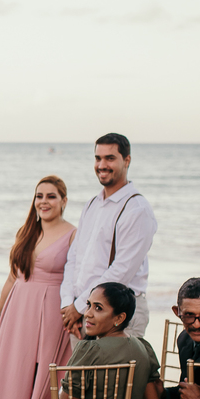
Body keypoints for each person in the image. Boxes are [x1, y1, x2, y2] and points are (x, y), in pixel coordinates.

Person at [15, 282, 163, 399]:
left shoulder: (90, 351)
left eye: (98, 308)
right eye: (89, 305)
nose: (88, 313)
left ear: (119, 317)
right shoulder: (143, 348)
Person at [0, 175, 76, 399]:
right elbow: (12, 277)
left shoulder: (73, 235)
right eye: (39, 196)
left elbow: (79, 278)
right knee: (13, 366)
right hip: (17, 308)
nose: (43, 202)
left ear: (64, 201)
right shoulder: (26, 232)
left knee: (42, 369)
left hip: (50, 310)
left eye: (51, 196)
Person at [60, 134, 158, 340]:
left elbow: (122, 270)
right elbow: (74, 257)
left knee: (117, 374)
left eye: (110, 158)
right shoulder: (92, 204)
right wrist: (68, 303)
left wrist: (79, 307)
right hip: (84, 313)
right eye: (98, 158)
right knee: (80, 373)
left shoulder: (137, 209)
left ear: (127, 160)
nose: (102, 165)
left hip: (120, 314)